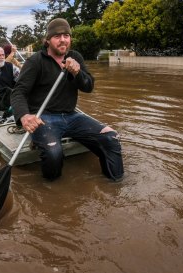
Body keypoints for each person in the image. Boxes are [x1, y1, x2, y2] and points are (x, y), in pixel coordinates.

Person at [10, 18, 124, 182]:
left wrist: (77, 73)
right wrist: (24, 116)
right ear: (47, 40)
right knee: (53, 152)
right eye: (57, 36)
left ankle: (116, 185)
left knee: (111, 138)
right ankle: (53, 190)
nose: (63, 39)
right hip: (44, 119)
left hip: (71, 116)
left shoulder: (75, 56)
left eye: (66, 35)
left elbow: (88, 87)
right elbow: (18, 92)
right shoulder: (35, 61)